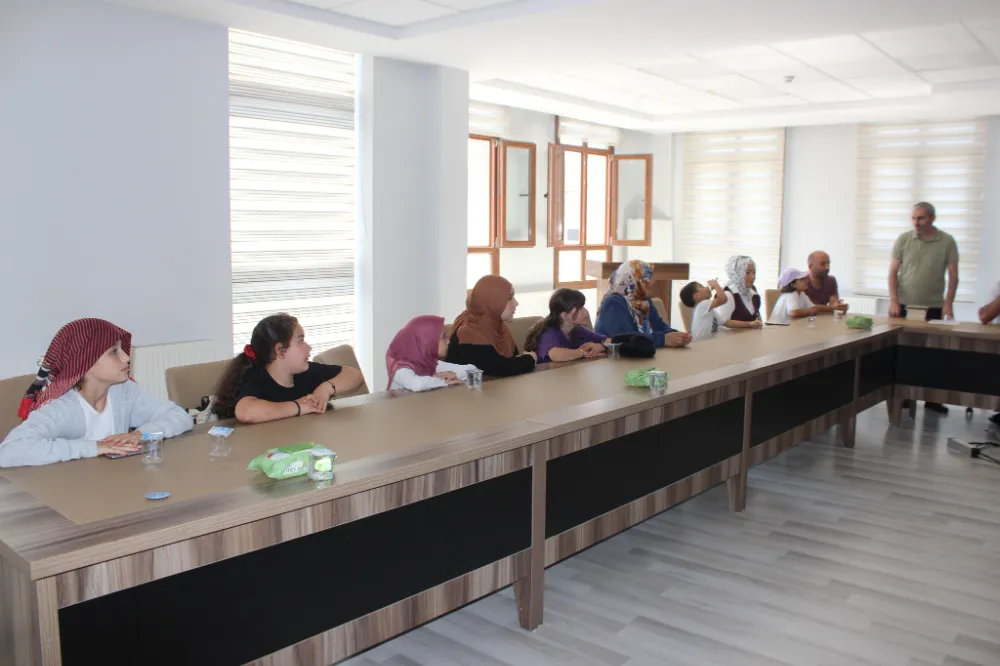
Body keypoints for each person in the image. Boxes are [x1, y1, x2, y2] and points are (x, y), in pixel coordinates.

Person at [0, 318, 192, 467]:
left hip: (109, 485)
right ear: (85, 362)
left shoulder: (123, 391)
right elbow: (9, 451)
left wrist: (141, 434)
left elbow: (178, 416)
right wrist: (96, 447)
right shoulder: (62, 406)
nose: (126, 357)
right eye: (114, 351)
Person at [214, 313, 365, 424]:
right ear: (280, 351)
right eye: (301, 341)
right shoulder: (255, 377)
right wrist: (300, 406)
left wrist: (326, 389)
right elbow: (246, 412)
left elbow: (355, 375)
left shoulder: (306, 371)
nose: (309, 347)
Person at [888, 202, 959, 414]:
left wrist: (948, 303)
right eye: (913, 218)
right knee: (906, 352)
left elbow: (953, 275)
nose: (916, 223)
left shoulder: (947, 241)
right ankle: (906, 396)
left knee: (934, 353)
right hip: (905, 305)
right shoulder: (904, 239)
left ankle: (932, 398)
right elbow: (892, 272)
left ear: (932, 218)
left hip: (934, 306)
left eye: (921, 218)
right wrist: (893, 300)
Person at [446, 275, 536, 377]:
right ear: (492, 301)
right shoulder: (469, 331)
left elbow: (511, 362)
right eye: (510, 298)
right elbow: (499, 369)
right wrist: (531, 358)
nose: (516, 303)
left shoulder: (498, 326)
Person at [594, 260, 691, 348]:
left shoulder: (644, 300)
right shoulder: (613, 302)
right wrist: (664, 339)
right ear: (632, 281)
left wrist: (679, 336)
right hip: (612, 358)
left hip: (638, 355)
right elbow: (628, 338)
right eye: (646, 280)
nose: (652, 283)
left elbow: (659, 326)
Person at [386, 315, 478, 391]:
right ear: (427, 342)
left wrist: (455, 374)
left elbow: (472, 369)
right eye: (444, 337)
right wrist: (444, 381)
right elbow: (417, 384)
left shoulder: (429, 362)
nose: (448, 341)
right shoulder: (400, 368)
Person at [523, 288, 610, 363]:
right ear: (564, 315)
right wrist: (583, 353)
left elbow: (609, 340)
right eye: (580, 308)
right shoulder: (549, 332)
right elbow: (555, 355)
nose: (586, 312)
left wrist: (601, 346)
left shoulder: (577, 329)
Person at [716, 255, 763, 329]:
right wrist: (749, 324)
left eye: (754, 272)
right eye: (748, 273)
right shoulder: (728, 294)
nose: (753, 277)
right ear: (737, 274)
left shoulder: (753, 294)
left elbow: (757, 317)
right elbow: (722, 323)